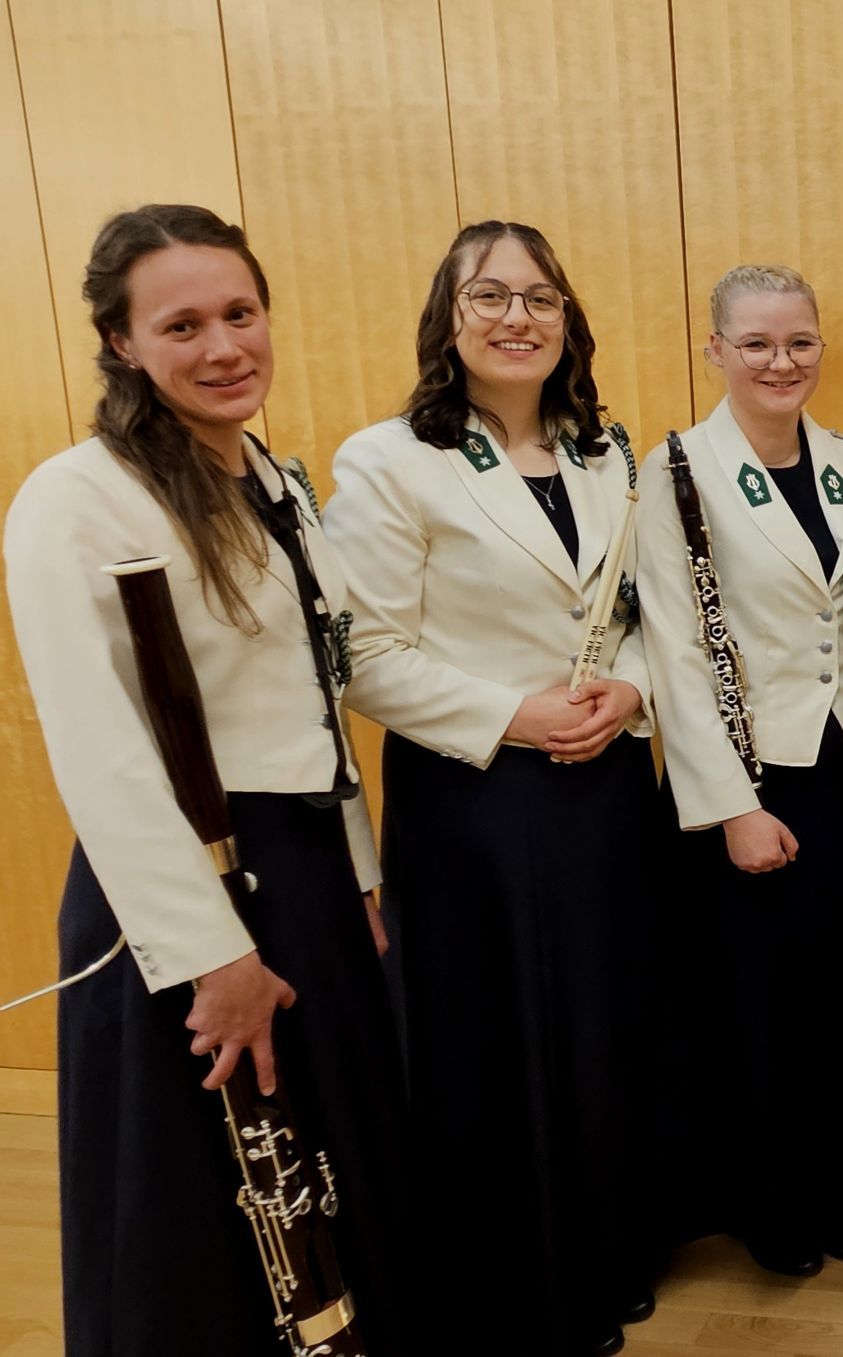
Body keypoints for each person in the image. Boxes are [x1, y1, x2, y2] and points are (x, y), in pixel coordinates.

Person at [3, 204, 409, 1356]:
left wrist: (361, 873)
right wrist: (209, 960)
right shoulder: (76, 496)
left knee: (334, 1177)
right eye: (182, 324)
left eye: (241, 313)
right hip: (190, 896)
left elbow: (316, 694)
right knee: (203, 1221)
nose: (226, 346)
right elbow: (100, 753)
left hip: (307, 875)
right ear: (121, 343)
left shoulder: (262, 476)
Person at [322, 221, 666, 1357]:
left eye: (540, 298)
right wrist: (510, 715)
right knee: (496, 1038)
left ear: (567, 320)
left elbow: (643, 620)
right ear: (449, 318)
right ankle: (519, 1285)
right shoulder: (387, 460)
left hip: (602, 787)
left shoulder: (606, 454)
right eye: (490, 297)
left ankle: (609, 1253)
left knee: (601, 1024)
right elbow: (361, 653)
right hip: (475, 797)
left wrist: (628, 693)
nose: (518, 317)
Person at [636, 263, 843, 1276]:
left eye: (799, 341)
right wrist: (733, 807)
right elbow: (673, 648)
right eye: (756, 343)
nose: (780, 361)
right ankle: (774, 1211)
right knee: (758, 1010)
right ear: (715, 351)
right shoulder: (672, 472)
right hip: (753, 780)